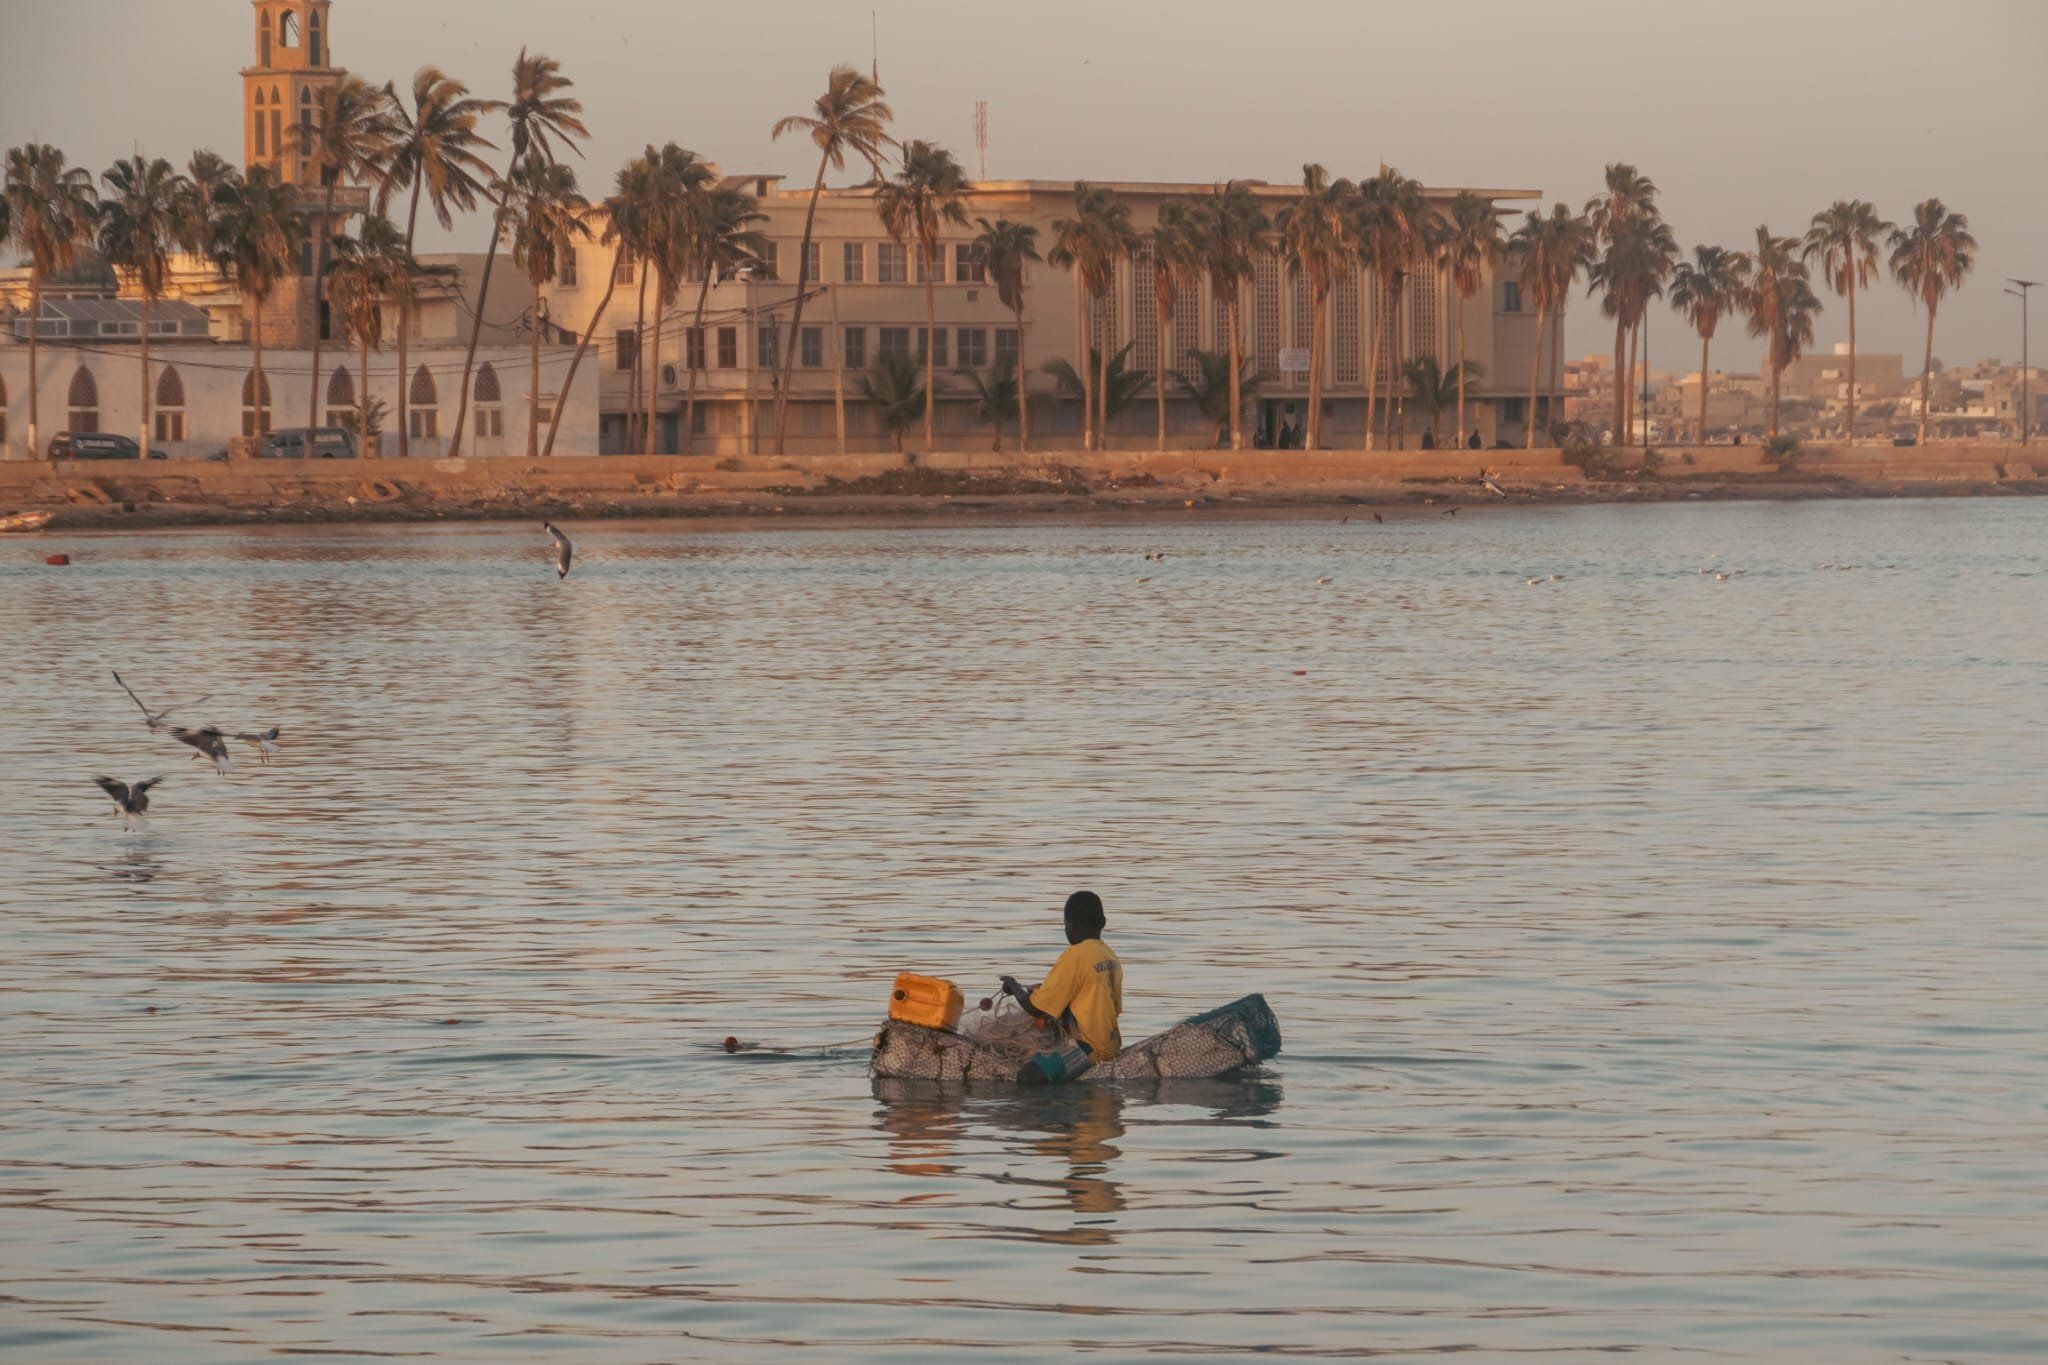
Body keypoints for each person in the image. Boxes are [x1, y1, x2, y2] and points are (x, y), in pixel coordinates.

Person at [1000, 891, 1123, 1084]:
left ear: (1070, 926)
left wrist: (1014, 987)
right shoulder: (1109, 955)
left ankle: (1062, 1111)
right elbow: (1113, 1007)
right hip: (1112, 1043)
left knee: (1027, 1076)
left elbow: (1037, 1008)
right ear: (1104, 922)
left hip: (1090, 1049)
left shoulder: (1075, 955)